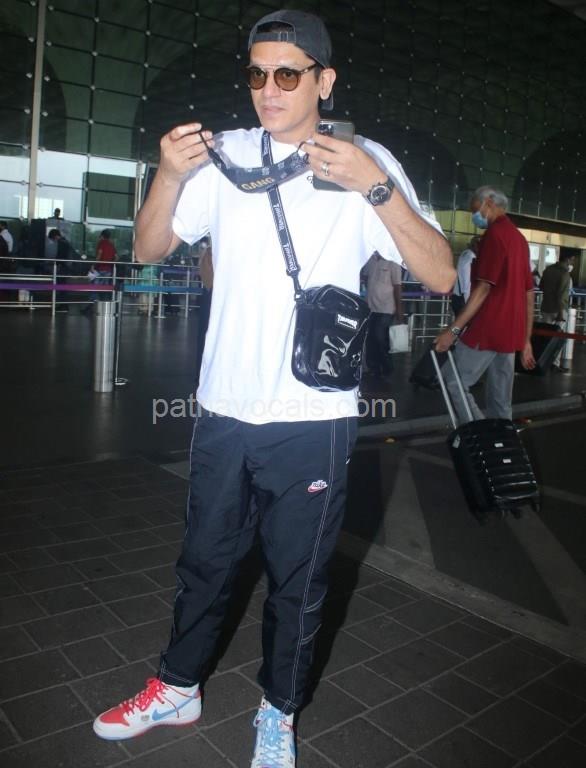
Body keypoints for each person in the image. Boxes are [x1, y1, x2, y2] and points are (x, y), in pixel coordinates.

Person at [92, 10, 455, 767]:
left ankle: (278, 712)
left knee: (299, 576)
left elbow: (441, 273)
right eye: (257, 73)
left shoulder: (364, 161)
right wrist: (168, 173)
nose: (269, 89)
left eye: (287, 73)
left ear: (325, 80)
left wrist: (375, 187)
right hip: (224, 406)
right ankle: (178, 687)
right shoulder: (223, 156)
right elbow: (150, 249)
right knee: (203, 562)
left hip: (312, 415)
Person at [436, 186, 535, 422]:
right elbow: (529, 294)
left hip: (488, 328)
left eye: (474, 209)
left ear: (488, 203)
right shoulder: (519, 239)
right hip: (511, 332)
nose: (474, 216)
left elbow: (483, 288)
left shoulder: (494, 235)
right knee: (500, 398)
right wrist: (526, 339)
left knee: (453, 380)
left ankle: (478, 431)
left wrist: (453, 330)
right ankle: (502, 439)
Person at [363, 251, 403, 377]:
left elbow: (397, 287)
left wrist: (399, 309)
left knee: (379, 338)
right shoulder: (371, 260)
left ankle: (386, 367)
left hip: (386, 308)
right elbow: (365, 277)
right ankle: (373, 368)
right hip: (370, 307)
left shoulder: (393, 262)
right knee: (370, 339)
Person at [539, 253, 575, 372]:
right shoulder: (565, 274)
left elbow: (541, 286)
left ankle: (541, 362)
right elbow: (561, 295)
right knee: (557, 338)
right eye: (572, 260)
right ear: (568, 259)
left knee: (545, 337)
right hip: (559, 310)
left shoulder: (548, 270)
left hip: (546, 307)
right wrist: (561, 312)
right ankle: (554, 364)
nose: (573, 262)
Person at [451, 235, 480, 315]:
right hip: (463, 300)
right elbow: (467, 284)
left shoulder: (464, 254)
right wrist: (469, 306)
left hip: (457, 297)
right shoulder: (470, 259)